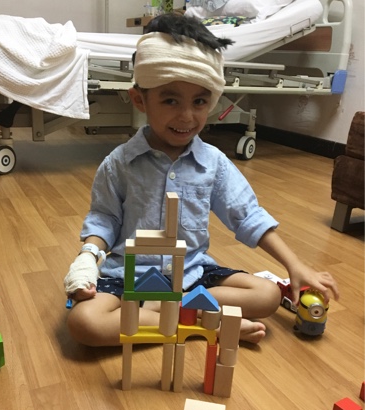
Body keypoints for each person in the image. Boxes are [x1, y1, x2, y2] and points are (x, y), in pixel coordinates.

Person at [64, 14, 338, 347]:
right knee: (84, 323)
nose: (187, 116)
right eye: (170, 100)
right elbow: (104, 219)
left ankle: (170, 315)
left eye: (200, 101)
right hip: (129, 278)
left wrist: (294, 265)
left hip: (192, 276)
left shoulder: (214, 163)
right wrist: (87, 257)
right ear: (139, 99)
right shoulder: (118, 164)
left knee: (266, 295)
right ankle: (202, 325)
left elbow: (248, 216)